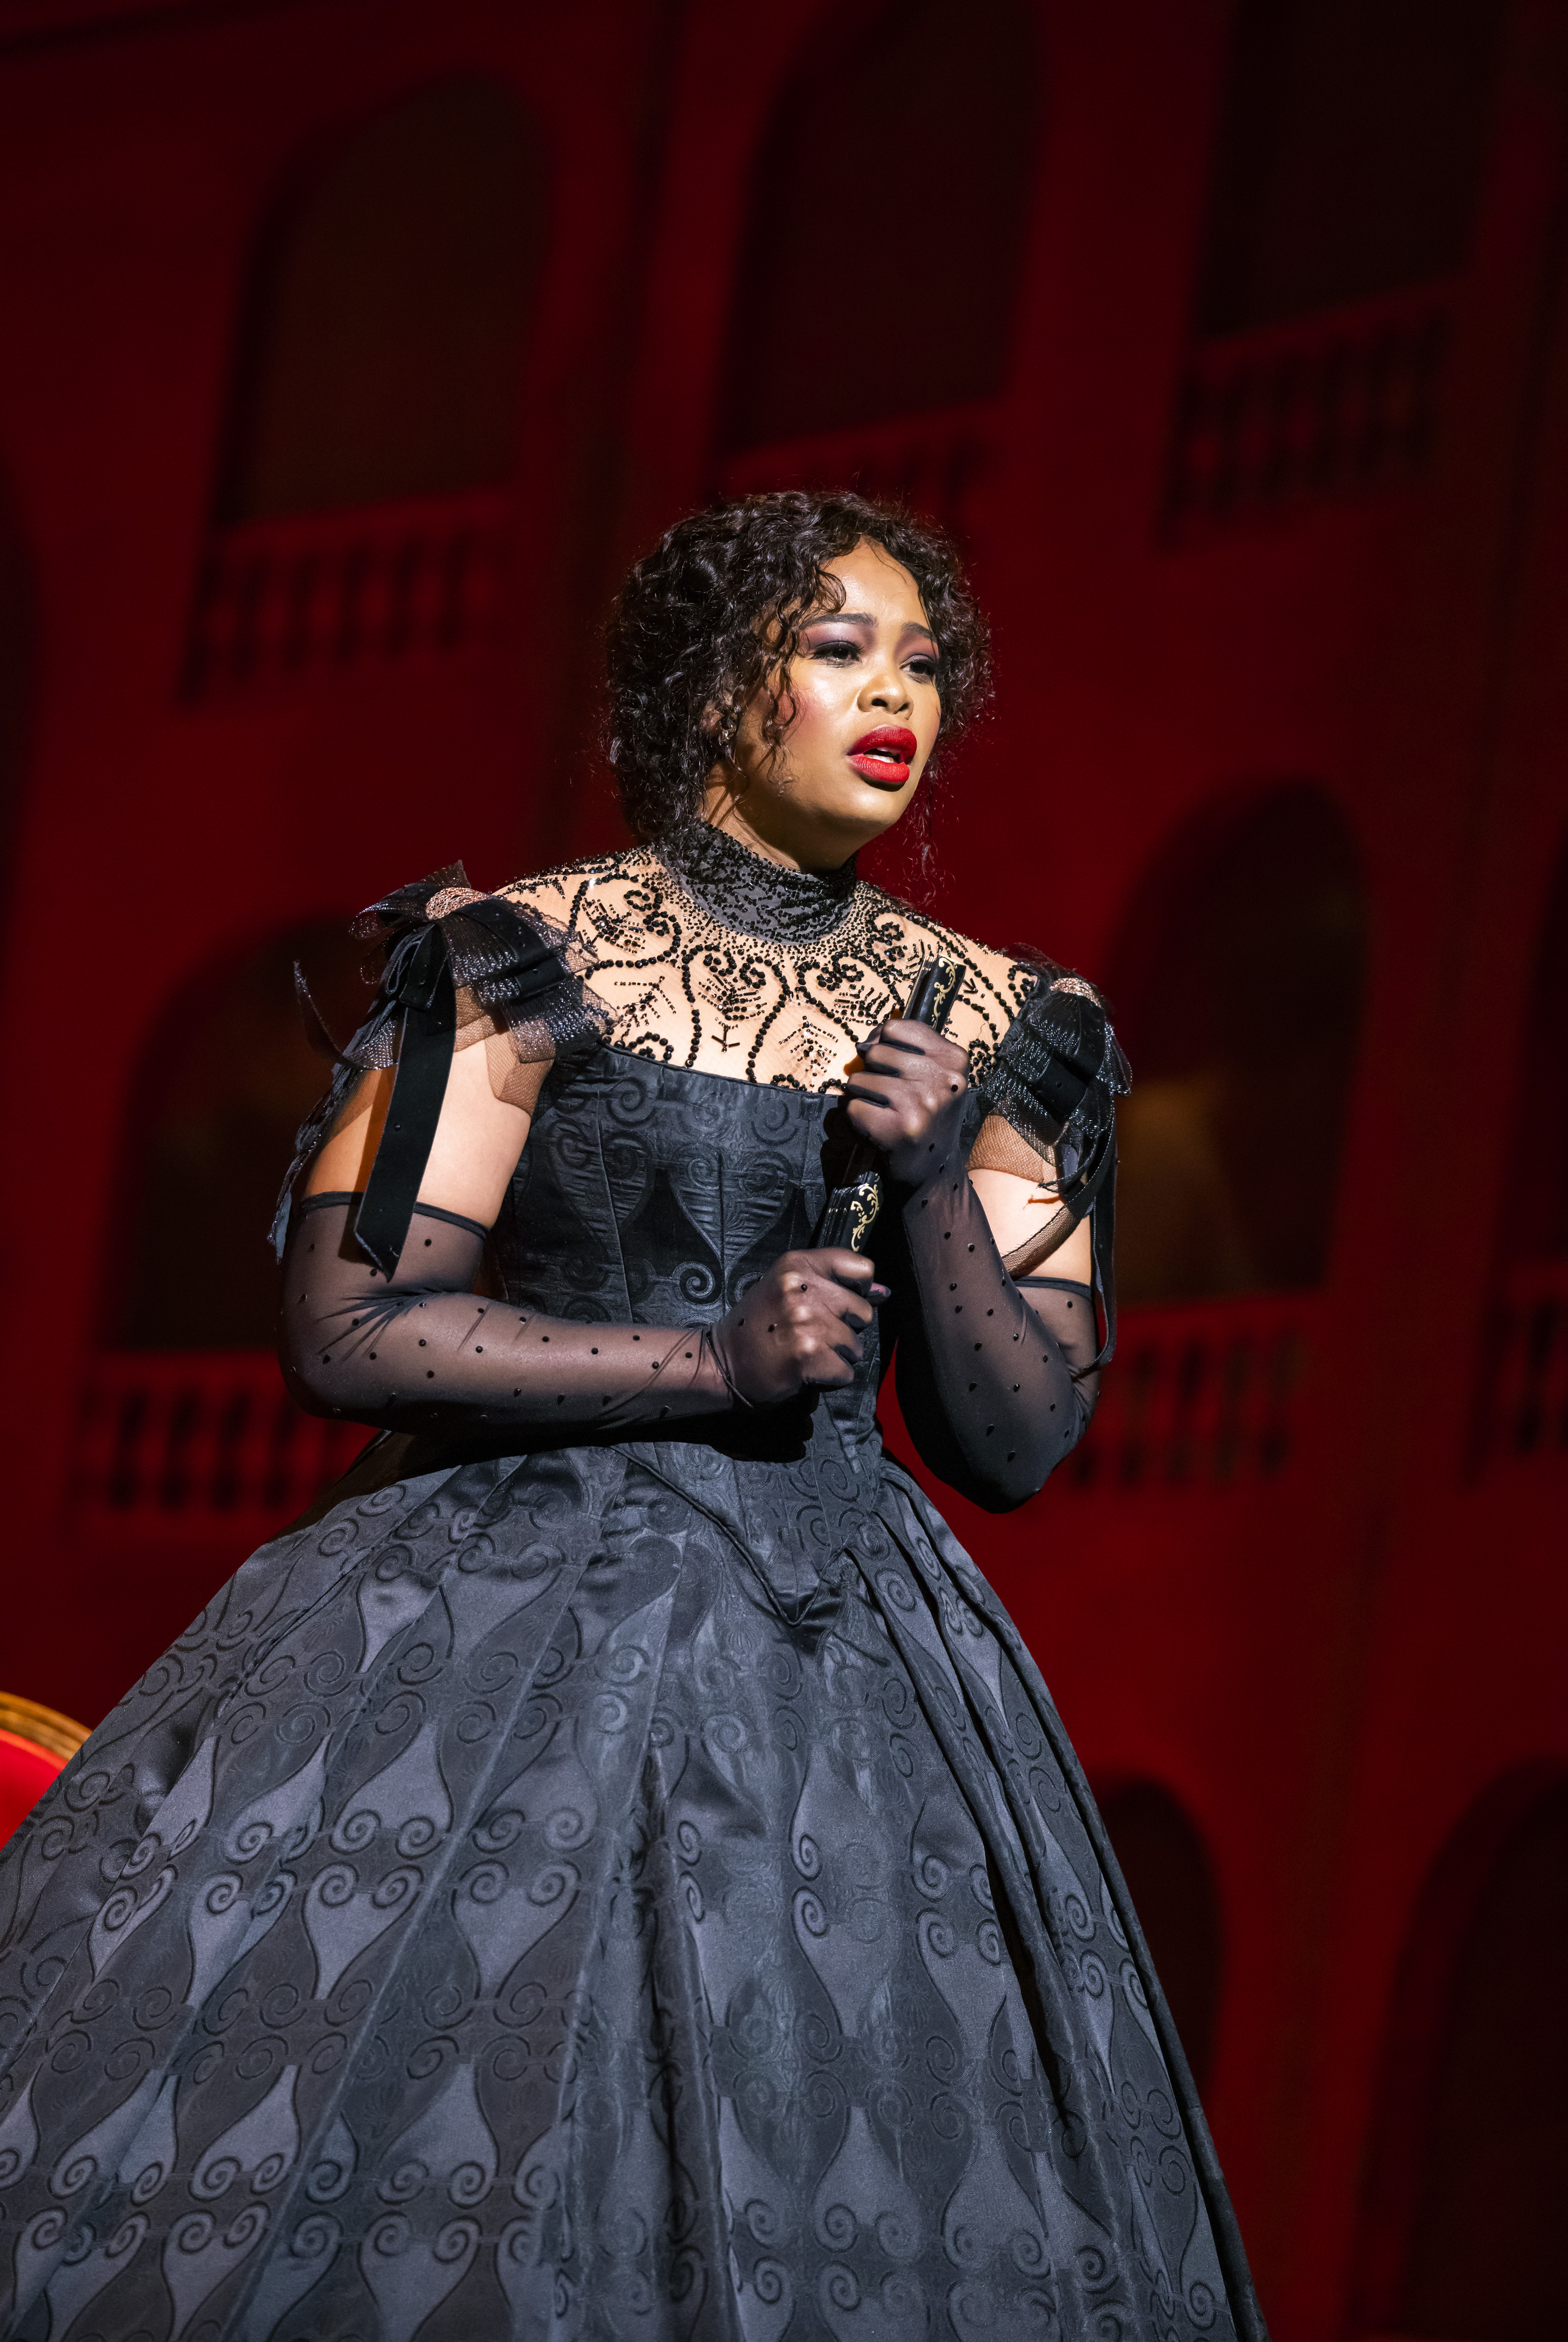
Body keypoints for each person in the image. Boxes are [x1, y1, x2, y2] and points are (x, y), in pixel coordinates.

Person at [0, 493, 1266, 2341]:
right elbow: (354, 1326)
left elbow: (1016, 1441)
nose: (891, 694)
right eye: (835, 648)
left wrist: (928, 1183)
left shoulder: (1007, 1022)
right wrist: (712, 1365)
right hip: (480, 1644)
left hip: (844, 1675)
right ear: (708, 689)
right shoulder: (528, 954)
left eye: (922, 660)